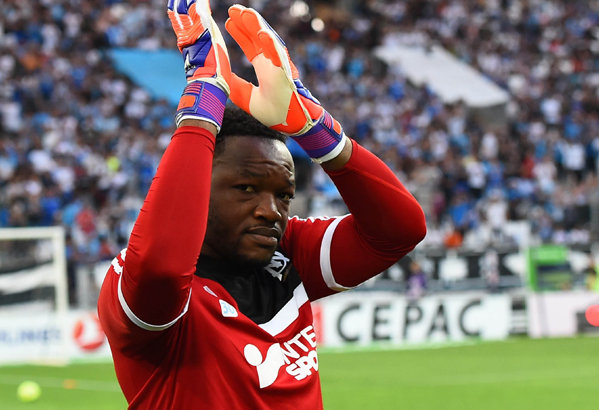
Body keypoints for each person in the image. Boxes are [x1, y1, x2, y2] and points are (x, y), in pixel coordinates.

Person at [97, 2, 426, 409]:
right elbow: (162, 266)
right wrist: (203, 98)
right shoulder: (139, 284)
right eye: (247, 189)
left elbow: (399, 231)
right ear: (201, 186)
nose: (272, 210)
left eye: (283, 194)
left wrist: (315, 130)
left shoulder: (286, 253)